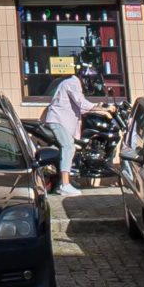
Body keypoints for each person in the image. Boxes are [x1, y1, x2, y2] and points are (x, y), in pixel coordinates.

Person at [44, 64, 96, 197]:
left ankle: (62, 182)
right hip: (58, 119)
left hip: (61, 120)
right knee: (68, 147)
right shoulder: (72, 83)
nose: (92, 83)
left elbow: (81, 107)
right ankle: (65, 185)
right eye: (91, 80)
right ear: (85, 78)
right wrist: (101, 107)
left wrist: (101, 109)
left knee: (70, 147)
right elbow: (82, 103)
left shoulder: (74, 83)